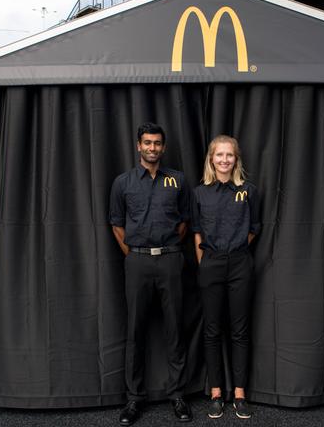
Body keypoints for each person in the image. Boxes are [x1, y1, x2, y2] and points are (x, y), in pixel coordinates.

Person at [109, 122, 193, 425]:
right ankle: (133, 399)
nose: (152, 148)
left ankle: (178, 395)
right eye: (147, 143)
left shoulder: (178, 181)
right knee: (135, 330)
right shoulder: (123, 183)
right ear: (138, 146)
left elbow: (185, 222)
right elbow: (117, 224)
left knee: (175, 329)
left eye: (157, 143)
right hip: (138, 263)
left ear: (164, 147)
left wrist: (168, 249)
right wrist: (134, 255)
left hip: (170, 260)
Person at [191, 135, 260, 420]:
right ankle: (217, 393)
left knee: (240, 330)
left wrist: (236, 251)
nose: (224, 160)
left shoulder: (248, 191)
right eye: (219, 155)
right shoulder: (199, 193)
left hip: (240, 263)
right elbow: (196, 231)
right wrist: (205, 263)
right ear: (211, 159)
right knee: (212, 330)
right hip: (211, 264)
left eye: (229, 155)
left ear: (236, 159)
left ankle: (240, 394)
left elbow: (254, 227)